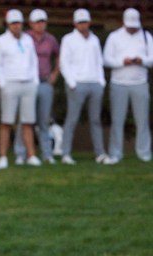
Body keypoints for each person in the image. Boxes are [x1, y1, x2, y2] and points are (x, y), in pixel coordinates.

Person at [0, 9, 41, 169]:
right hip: (10, 84)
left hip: (28, 84)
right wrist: (2, 84)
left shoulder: (28, 40)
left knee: (28, 122)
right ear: (8, 24)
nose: (16, 26)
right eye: (13, 23)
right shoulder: (0, 41)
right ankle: (3, 157)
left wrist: (35, 81)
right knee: (6, 122)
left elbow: (34, 61)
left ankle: (31, 155)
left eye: (18, 23)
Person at [59, 9, 110, 165]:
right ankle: (66, 153)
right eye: (80, 22)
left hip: (95, 83)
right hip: (77, 84)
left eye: (85, 22)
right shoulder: (68, 39)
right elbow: (64, 62)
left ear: (89, 22)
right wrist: (72, 82)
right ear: (75, 23)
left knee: (95, 120)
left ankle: (100, 153)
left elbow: (99, 61)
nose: (83, 25)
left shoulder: (94, 39)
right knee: (72, 119)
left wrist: (101, 81)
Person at [103, 8, 153, 164]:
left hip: (140, 83)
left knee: (142, 120)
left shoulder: (146, 36)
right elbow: (106, 59)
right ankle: (116, 153)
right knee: (117, 120)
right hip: (119, 83)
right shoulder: (114, 37)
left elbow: (152, 59)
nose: (132, 28)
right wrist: (121, 62)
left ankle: (144, 153)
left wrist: (141, 61)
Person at [13, 9, 60, 165]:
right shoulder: (25, 38)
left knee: (44, 120)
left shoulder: (51, 39)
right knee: (25, 120)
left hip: (45, 82)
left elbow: (59, 55)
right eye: (37, 22)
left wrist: (55, 73)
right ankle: (21, 153)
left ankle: (47, 154)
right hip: (28, 83)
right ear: (31, 24)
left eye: (43, 21)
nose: (41, 25)